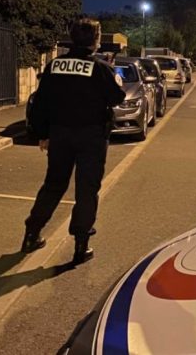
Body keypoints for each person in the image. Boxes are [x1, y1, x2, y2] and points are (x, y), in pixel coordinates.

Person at [22, 18, 126, 264]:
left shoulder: (54, 65)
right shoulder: (99, 68)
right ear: (95, 40)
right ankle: (81, 244)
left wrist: (42, 134)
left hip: (60, 134)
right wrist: (117, 81)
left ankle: (31, 234)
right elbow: (116, 97)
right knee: (86, 190)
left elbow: (40, 102)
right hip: (91, 136)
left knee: (53, 185)